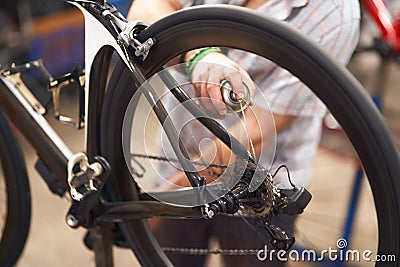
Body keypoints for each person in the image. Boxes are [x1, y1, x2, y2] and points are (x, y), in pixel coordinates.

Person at [127, 0, 360, 266]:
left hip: (259, 193)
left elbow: (254, 134)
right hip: (178, 157)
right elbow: (146, 10)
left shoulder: (336, 13)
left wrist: (162, 204)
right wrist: (198, 55)